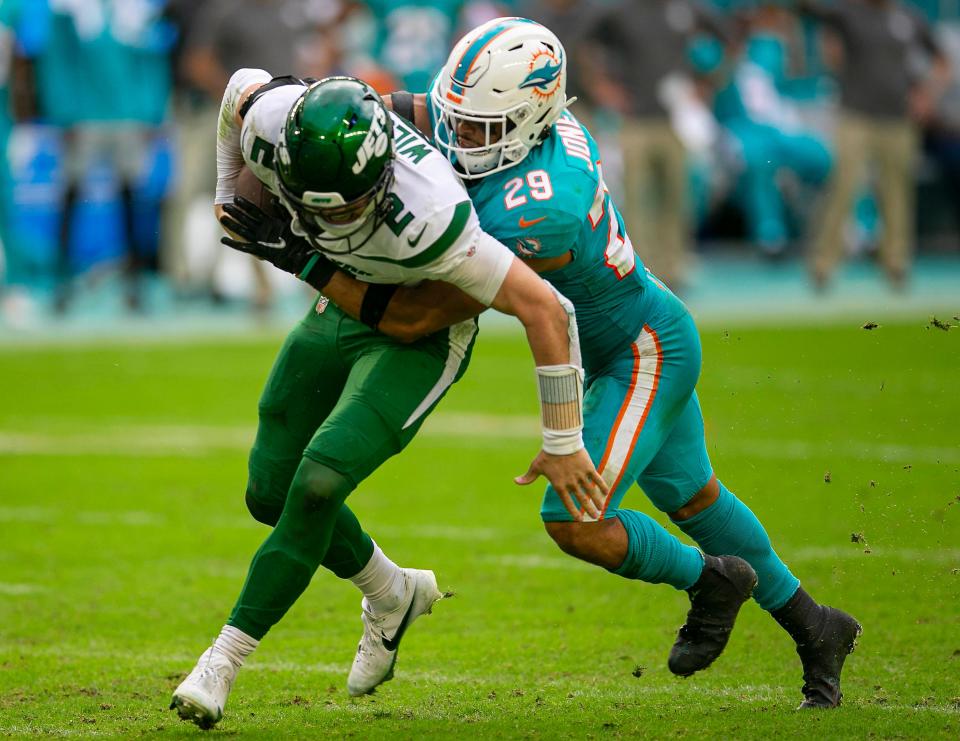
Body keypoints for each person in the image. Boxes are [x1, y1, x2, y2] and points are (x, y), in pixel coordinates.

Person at [237, 18, 856, 710]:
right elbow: (406, 110)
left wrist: (305, 258)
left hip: (640, 351)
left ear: (527, 118)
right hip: (620, 340)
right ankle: (817, 627)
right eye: (457, 118)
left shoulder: (536, 208)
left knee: (575, 518)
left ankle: (710, 581)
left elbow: (414, 315)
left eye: (477, 128)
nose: (459, 136)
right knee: (695, 497)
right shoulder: (513, 128)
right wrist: (322, 108)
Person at [169, 70, 608, 729]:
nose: (331, 216)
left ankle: (221, 661)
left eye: (346, 205)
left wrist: (563, 439)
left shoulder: (433, 214)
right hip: (340, 304)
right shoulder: (272, 122)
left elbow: (544, 308)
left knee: (316, 482)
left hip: (421, 334)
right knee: (269, 491)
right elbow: (238, 93)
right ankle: (391, 590)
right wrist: (228, 192)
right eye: (317, 206)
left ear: (381, 176)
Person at [798, 0, 951, 291]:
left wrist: (928, 95)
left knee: (896, 191)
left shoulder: (908, 18)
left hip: (897, 118)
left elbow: (941, 59)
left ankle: (896, 263)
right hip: (855, 115)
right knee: (843, 185)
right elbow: (810, 9)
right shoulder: (851, 12)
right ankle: (823, 264)